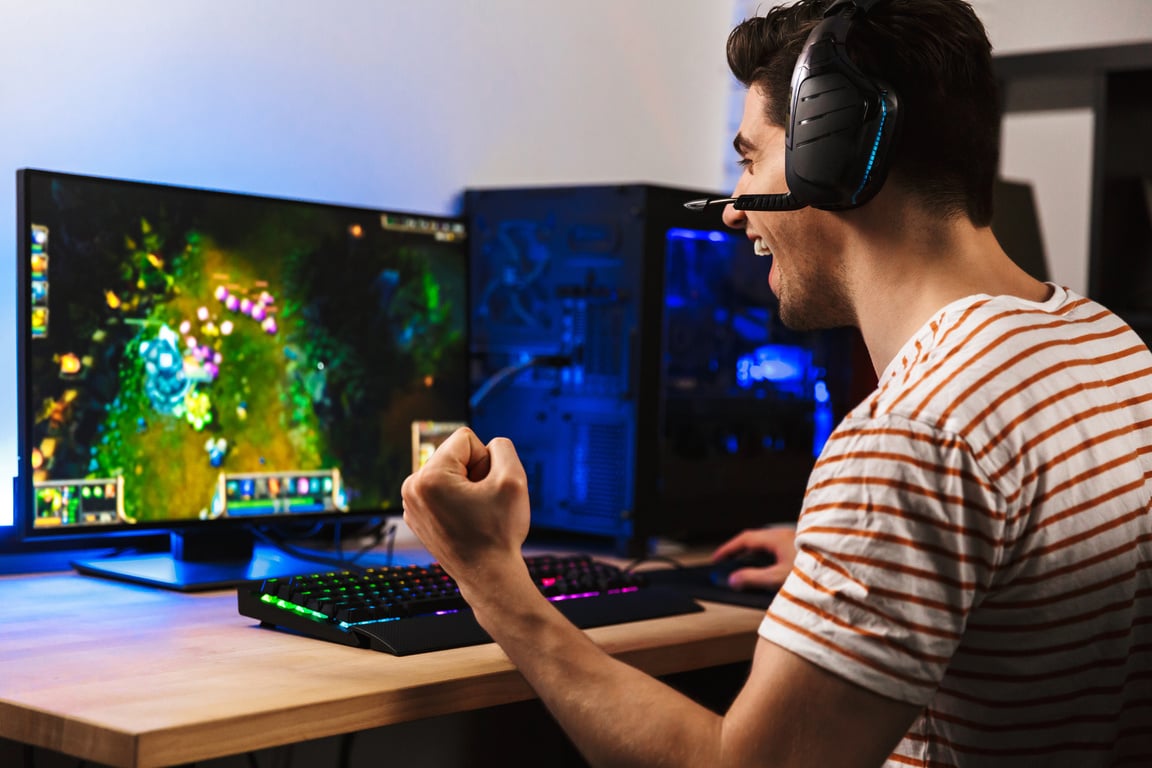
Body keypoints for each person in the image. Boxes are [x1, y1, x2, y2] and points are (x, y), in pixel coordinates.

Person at [401, 0, 1152, 764]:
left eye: (749, 159)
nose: (731, 210)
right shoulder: (1106, 345)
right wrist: (861, 562)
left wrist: (492, 576)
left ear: (836, 153)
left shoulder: (915, 435)